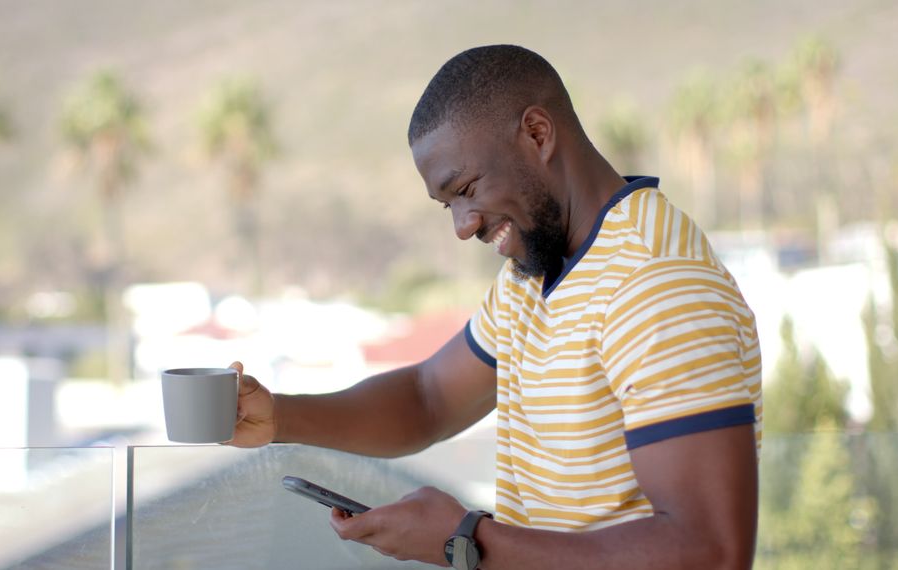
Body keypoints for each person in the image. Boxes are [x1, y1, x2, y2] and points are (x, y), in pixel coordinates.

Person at [228, 44, 762, 569]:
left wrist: (466, 541)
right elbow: (428, 397)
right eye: (449, 205)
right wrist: (278, 416)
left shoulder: (655, 284)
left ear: (537, 133)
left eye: (466, 189)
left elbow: (709, 551)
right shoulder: (537, 272)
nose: (463, 226)